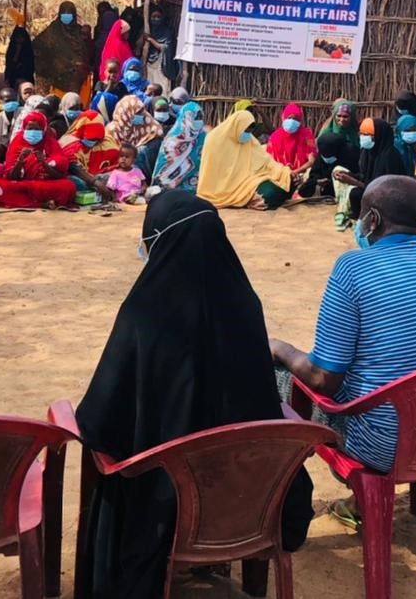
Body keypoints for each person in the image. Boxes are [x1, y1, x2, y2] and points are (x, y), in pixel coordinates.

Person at [75, 192, 314, 597]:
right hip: (248, 497)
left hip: (163, 510)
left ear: (157, 240)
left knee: (105, 454)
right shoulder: (244, 303)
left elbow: (99, 419)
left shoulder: (144, 315)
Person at [270, 175, 416, 489]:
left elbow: (323, 381)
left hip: (382, 446)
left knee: (283, 374)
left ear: (371, 219)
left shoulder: (352, 268)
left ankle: (289, 495)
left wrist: (280, 348)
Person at [196, 109, 293, 210]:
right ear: (237, 126)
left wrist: (284, 171)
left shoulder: (250, 140)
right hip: (220, 189)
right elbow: (209, 172)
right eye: (245, 131)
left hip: (248, 183)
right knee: (270, 195)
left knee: (285, 184)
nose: (247, 134)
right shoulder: (214, 140)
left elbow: (266, 160)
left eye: (249, 131)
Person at [0, 112, 76, 209]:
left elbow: (59, 175)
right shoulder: (17, 143)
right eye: (30, 129)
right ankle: (41, 204)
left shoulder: (50, 143)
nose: (33, 132)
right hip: (23, 186)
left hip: (45, 186)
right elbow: (11, 177)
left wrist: (44, 163)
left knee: (69, 186)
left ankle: (27, 202)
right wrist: (19, 162)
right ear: (24, 129)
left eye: (37, 129)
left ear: (43, 129)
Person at [32, 1, 93, 96]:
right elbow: (37, 47)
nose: (67, 16)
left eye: (69, 13)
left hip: (78, 81)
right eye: (64, 13)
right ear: (60, 14)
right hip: (57, 80)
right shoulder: (52, 31)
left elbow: (88, 52)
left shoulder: (79, 32)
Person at [150, 100, 206, 193]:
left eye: (200, 117)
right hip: (167, 187)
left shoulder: (202, 136)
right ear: (186, 117)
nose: (198, 120)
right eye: (195, 117)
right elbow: (163, 165)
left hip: (194, 186)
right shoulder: (173, 140)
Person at [266, 103, 317, 178]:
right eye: (289, 118)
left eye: (295, 119)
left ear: (300, 121)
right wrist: (284, 170)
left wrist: (295, 171)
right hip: (279, 173)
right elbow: (269, 161)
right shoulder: (274, 137)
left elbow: (312, 161)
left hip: (301, 173)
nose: (292, 121)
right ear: (284, 118)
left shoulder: (307, 135)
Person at [143, 6, 179, 90]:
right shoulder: (148, 30)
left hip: (162, 64)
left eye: (158, 17)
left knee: (162, 86)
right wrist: (143, 36)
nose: (156, 19)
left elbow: (165, 48)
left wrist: (150, 39)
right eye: (153, 17)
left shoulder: (167, 32)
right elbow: (138, 45)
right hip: (149, 63)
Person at [2, 9, 35, 90]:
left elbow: (31, 65)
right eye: (17, 39)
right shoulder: (12, 49)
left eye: (22, 38)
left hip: (26, 77)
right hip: (12, 79)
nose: (20, 40)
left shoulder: (28, 51)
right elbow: (9, 63)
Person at [98, 17, 134, 85]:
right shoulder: (117, 44)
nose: (128, 35)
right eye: (127, 32)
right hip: (116, 77)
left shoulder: (124, 43)